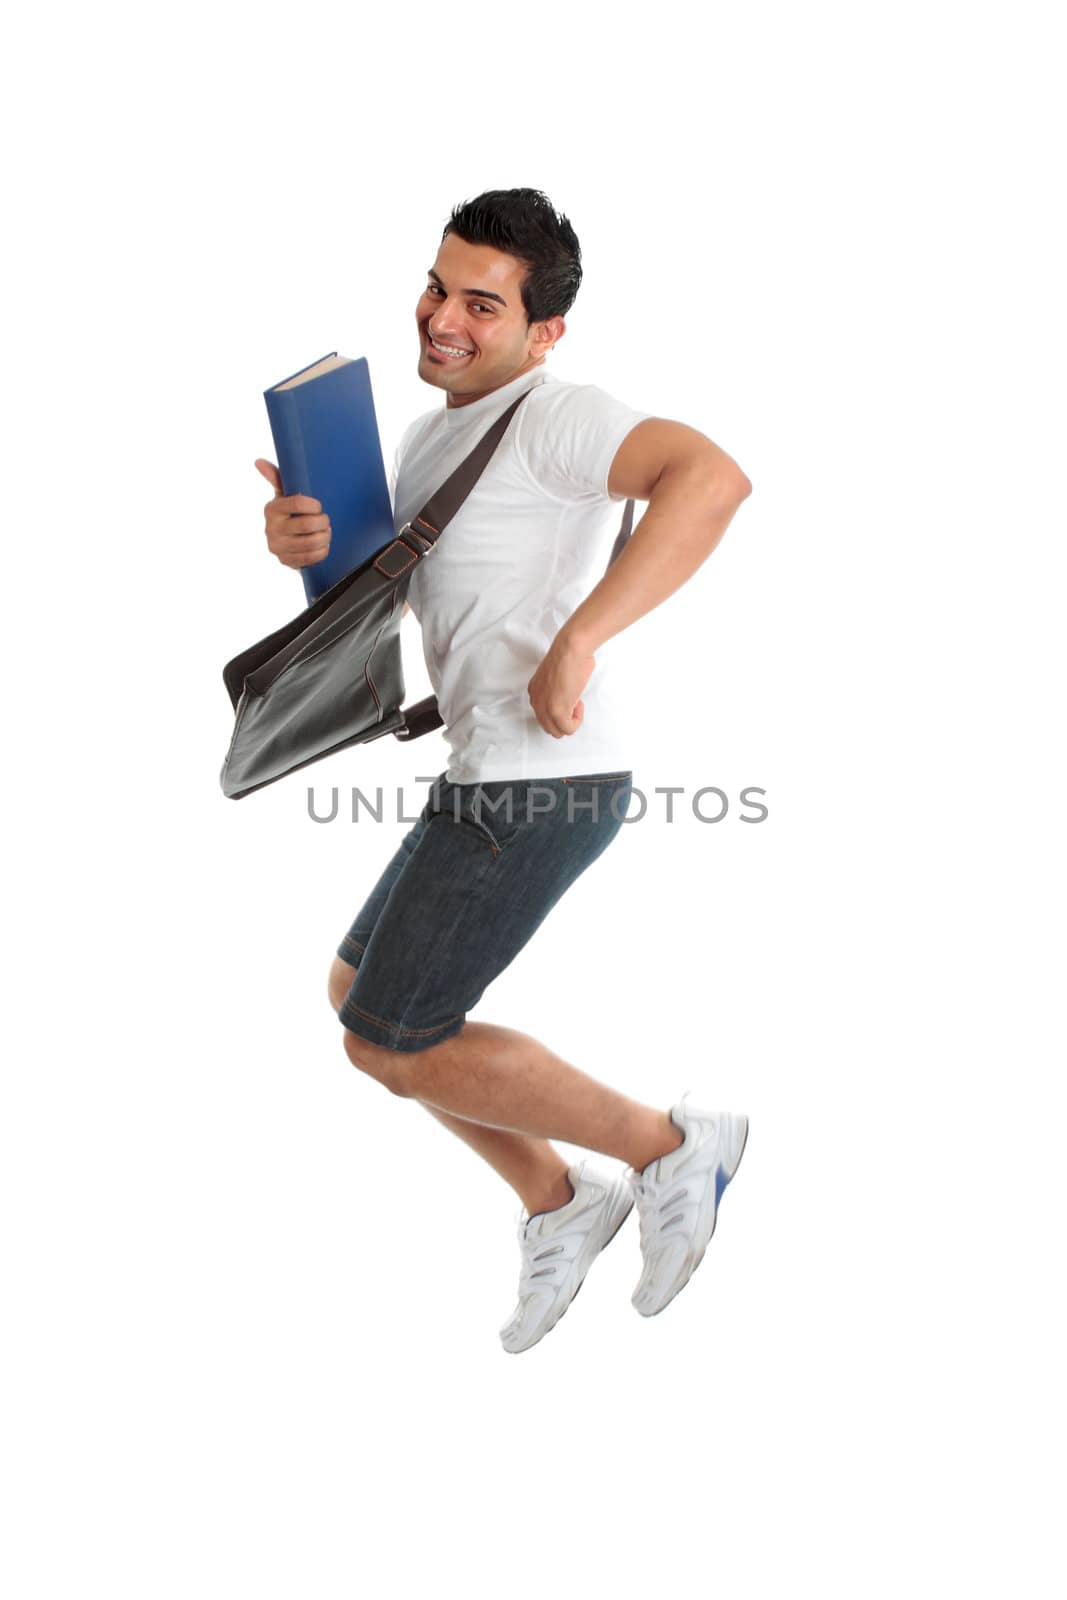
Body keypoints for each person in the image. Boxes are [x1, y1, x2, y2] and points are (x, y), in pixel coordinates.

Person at [254, 188, 753, 1354]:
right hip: (486, 775)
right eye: (438, 286)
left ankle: (670, 1146)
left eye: (483, 304)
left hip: (545, 782)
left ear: (543, 332)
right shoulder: (435, 435)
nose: (443, 319)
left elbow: (712, 477)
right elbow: (369, 607)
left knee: (389, 1038)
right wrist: (304, 544)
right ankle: (558, 1200)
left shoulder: (557, 416)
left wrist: (583, 635)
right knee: (357, 995)